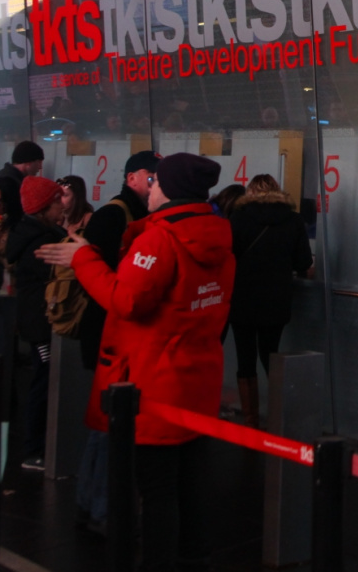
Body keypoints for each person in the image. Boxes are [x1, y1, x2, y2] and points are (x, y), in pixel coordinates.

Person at [38, 152, 234, 572]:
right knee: (191, 481)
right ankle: (193, 556)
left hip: (154, 383)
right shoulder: (218, 236)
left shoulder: (160, 240)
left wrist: (84, 259)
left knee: (157, 489)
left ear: (171, 190)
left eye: (157, 182)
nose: (150, 188)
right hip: (198, 379)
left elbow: (126, 301)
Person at [69, 150, 159, 533]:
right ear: (133, 177)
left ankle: (91, 503)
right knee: (111, 424)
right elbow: (98, 275)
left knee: (106, 424)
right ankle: (102, 508)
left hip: (117, 326)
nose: (155, 184)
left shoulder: (137, 214)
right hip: (110, 328)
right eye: (151, 177)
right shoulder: (115, 214)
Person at [226, 175, 312, 428]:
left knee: (245, 359)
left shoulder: (238, 219)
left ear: (251, 192)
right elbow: (303, 263)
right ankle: (278, 417)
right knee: (271, 356)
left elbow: (227, 257)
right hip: (276, 301)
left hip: (242, 299)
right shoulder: (294, 220)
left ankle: (250, 419)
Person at [5, 175, 66, 473]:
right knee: (43, 381)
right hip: (42, 321)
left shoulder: (30, 235)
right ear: (44, 206)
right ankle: (34, 448)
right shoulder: (44, 242)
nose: (63, 205)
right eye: (57, 200)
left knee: (43, 379)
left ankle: (38, 444)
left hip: (34, 319)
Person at [0, 140, 45, 210]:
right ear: (29, 162)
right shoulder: (9, 183)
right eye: (39, 162)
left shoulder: (2, 177)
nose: (40, 167)